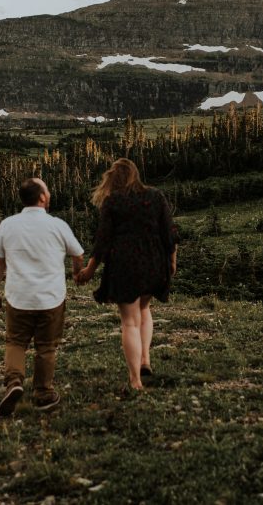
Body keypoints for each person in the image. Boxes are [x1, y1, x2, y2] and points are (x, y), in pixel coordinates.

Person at [75, 158, 178, 391]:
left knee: (129, 321)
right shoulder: (155, 196)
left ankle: (135, 380)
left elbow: (102, 242)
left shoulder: (113, 202)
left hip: (124, 265)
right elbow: (169, 233)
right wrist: (171, 262)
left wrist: (89, 271)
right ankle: (145, 360)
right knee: (144, 309)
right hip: (153, 262)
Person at [0, 177, 84, 416]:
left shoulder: (8, 224)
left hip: (19, 297)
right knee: (46, 347)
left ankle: (14, 383)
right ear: (42, 197)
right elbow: (78, 254)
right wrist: (75, 272)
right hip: (51, 298)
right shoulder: (57, 225)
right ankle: (43, 393)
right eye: (47, 190)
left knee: (16, 342)